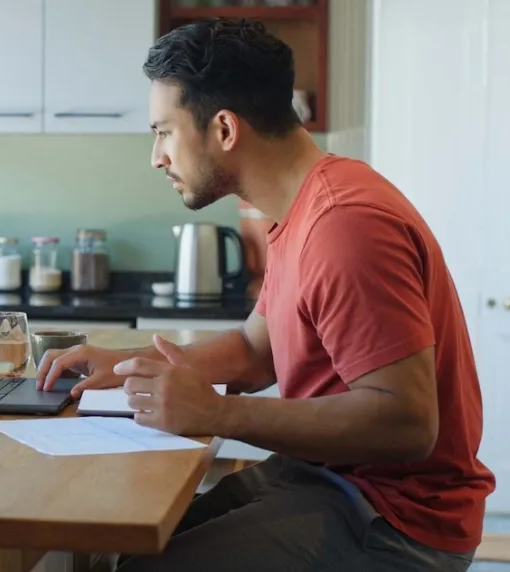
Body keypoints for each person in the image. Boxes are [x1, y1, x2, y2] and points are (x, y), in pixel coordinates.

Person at [35, 18, 494, 571]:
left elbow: (408, 425)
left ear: (225, 129)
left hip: (395, 520)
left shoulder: (345, 226)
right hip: (327, 478)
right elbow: (257, 351)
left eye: (164, 132)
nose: (156, 156)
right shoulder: (303, 206)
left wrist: (219, 413)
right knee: (129, 543)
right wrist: (132, 366)